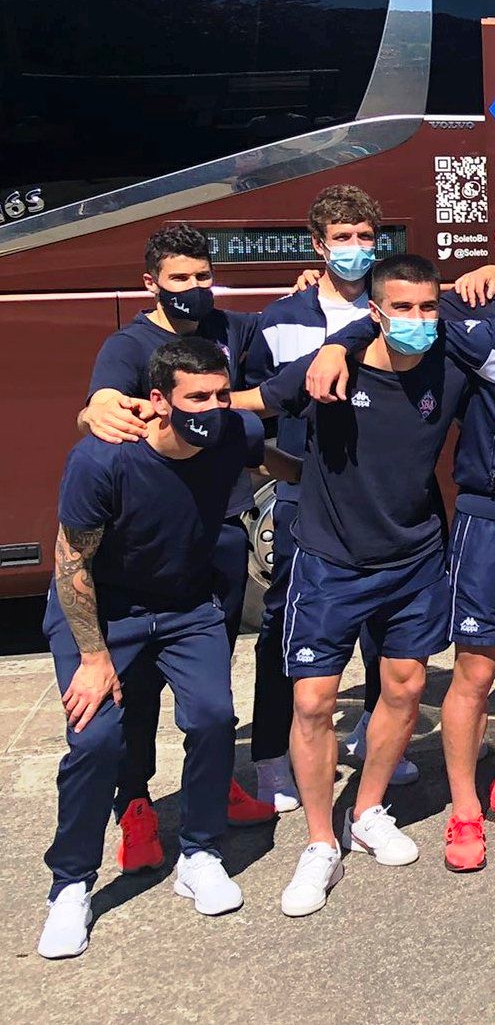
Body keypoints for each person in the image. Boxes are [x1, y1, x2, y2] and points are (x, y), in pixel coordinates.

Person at [307, 235, 495, 870]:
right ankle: (466, 811)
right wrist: (338, 342)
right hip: (491, 525)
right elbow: (402, 320)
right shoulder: (488, 335)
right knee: (474, 673)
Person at [37, 338, 293, 959]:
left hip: (187, 609)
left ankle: (200, 854)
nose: (212, 406)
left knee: (211, 719)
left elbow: (275, 461)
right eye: (196, 397)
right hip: (103, 614)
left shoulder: (232, 431)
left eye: (220, 394)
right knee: (95, 741)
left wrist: (342, 492)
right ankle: (70, 886)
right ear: (158, 401)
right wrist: (95, 659)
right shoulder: (103, 459)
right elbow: (71, 562)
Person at [245, 254, 470, 917]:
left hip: (414, 557)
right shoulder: (326, 369)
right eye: (402, 308)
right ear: (375, 311)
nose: (417, 320)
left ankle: (368, 809)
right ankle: (320, 843)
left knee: (402, 690)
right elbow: (249, 405)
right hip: (329, 560)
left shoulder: (451, 365)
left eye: (428, 307)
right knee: (312, 703)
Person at [72, 224, 275, 865]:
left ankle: (210, 793)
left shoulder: (231, 328)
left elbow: (272, 389)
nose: (193, 288)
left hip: (218, 528)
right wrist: (95, 411)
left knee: (208, 686)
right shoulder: (130, 343)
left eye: (202, 275)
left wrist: (309, 283)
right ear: (151, 282)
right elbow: (100, 403)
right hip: (155, 531)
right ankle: (134, 804)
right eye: (179, 278)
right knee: (138, 692)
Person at [239, 184, 390, 810]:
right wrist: (281, 475)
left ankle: (381, 741)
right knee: (284, 627)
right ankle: (272, 755)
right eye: (342, 238)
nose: (355, 249)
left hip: (379, 498)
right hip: (306, 501)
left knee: (386, 628)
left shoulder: (395, 311)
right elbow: (254, 415)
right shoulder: (280, 321)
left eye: (364, 237)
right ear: (318, 245)